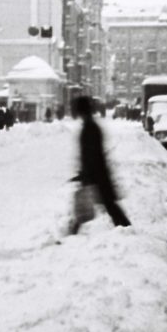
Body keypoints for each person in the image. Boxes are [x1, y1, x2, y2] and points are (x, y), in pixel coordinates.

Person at [71, 95, 131, 232]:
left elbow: (92, 155)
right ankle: (126, 228)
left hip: (97, 174)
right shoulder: (90, 126)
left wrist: (86, 174)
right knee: (108, 205)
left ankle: (127, 229)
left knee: (105, 205)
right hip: (97, 174)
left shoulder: (89, 128)